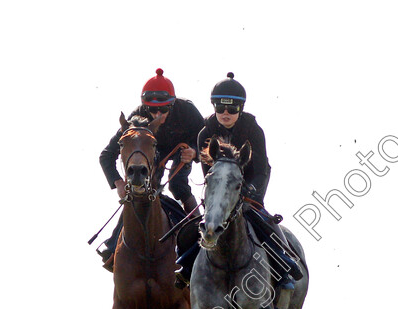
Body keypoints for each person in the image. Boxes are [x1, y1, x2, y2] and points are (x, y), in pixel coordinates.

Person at [176, 72, 303, 289]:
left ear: (240, 109)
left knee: (261, 220)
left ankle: (282, 264)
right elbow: (209, 174)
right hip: (219, 188)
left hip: (252, 183)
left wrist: (250, 191)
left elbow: (262, 169)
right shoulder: (205, 132)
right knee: (198, 225)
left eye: (232, 109)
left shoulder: (254, 130)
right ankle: (187, 266)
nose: (225, 113)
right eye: (220, 107)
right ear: (213, 106)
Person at [97, 69, 204, 270]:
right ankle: (113, 245)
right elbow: (106, 155)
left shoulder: (188, 111)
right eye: (152, 110)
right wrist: (118, 183)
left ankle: (198, 228)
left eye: (163, 110)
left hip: (181, 152)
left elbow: (207, 138)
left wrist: (195, 152)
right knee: (140, 191)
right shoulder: (136, 116)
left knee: (177, 185)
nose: (157, 115)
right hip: (150, 157)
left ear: (172, 104)